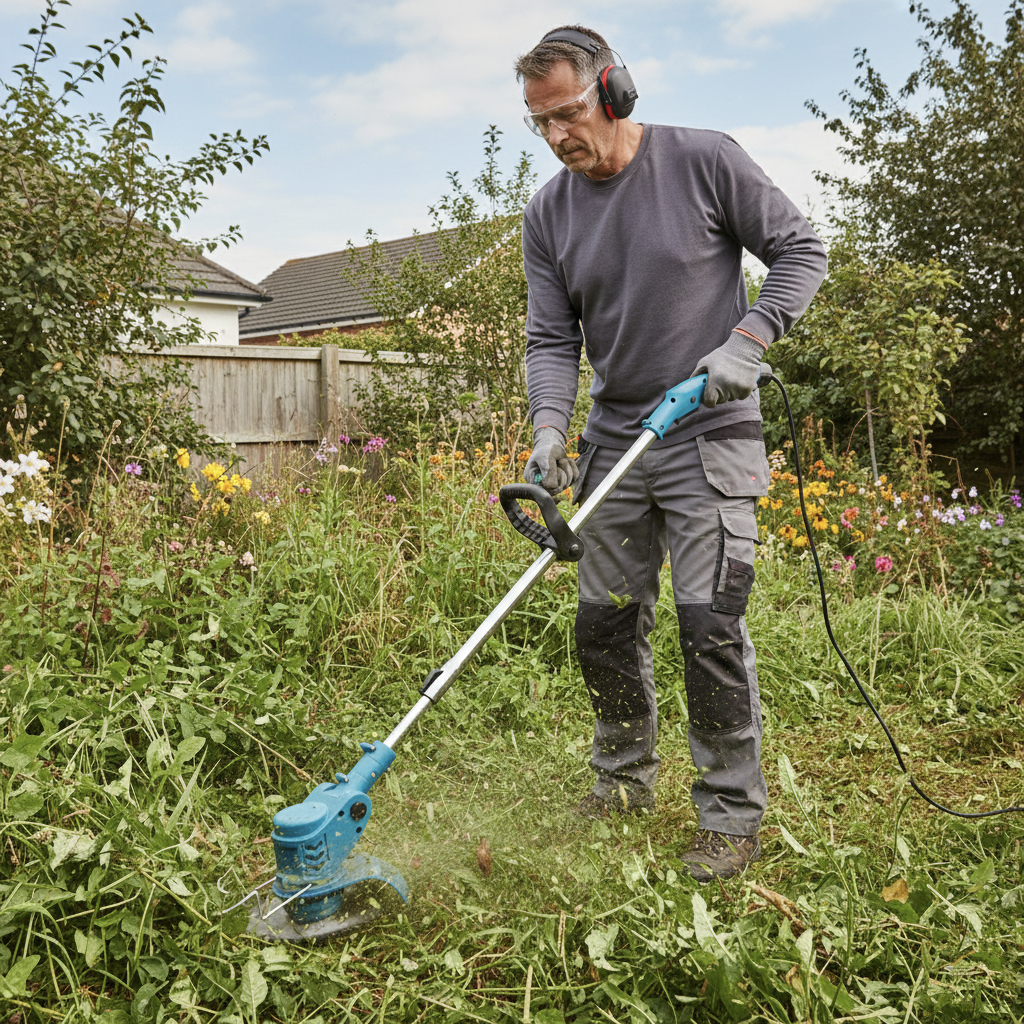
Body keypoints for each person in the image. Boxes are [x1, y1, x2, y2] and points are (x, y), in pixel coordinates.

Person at [515, 25, 827, 881]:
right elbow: (550, 336)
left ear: (615, 91)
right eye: (540, 123)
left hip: (708, 434)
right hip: (616, 440)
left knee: (709, 626)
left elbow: (802, 250)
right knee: (604, 626)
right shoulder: (549, 212)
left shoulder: (704, 160)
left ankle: (729, 812)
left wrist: (750, 338)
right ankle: (621, 782)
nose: (558, 136)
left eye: (569, 113)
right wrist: (550, 427)